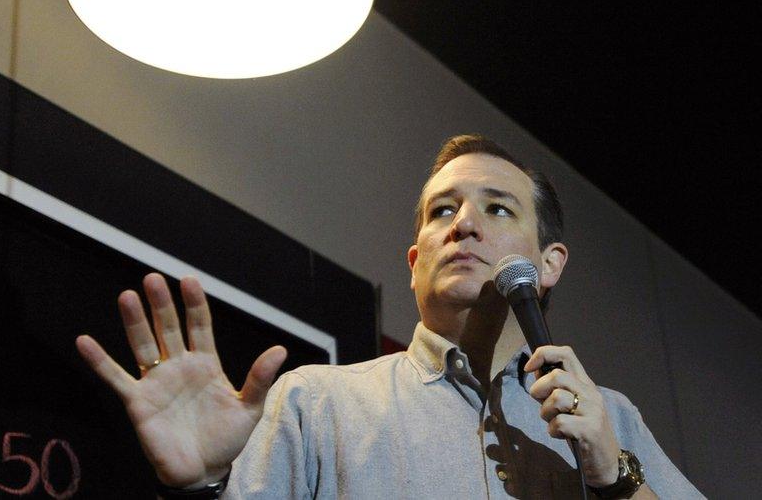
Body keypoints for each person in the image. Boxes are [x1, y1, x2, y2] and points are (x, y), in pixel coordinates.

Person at [75, 135, 703, 499]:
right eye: (442, 211)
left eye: (499, 209)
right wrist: (205, 487)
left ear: (549, 264)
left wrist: (612, 476)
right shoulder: (314, 405)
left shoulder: (611, 418)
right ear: (414, 261)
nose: (462, 225)